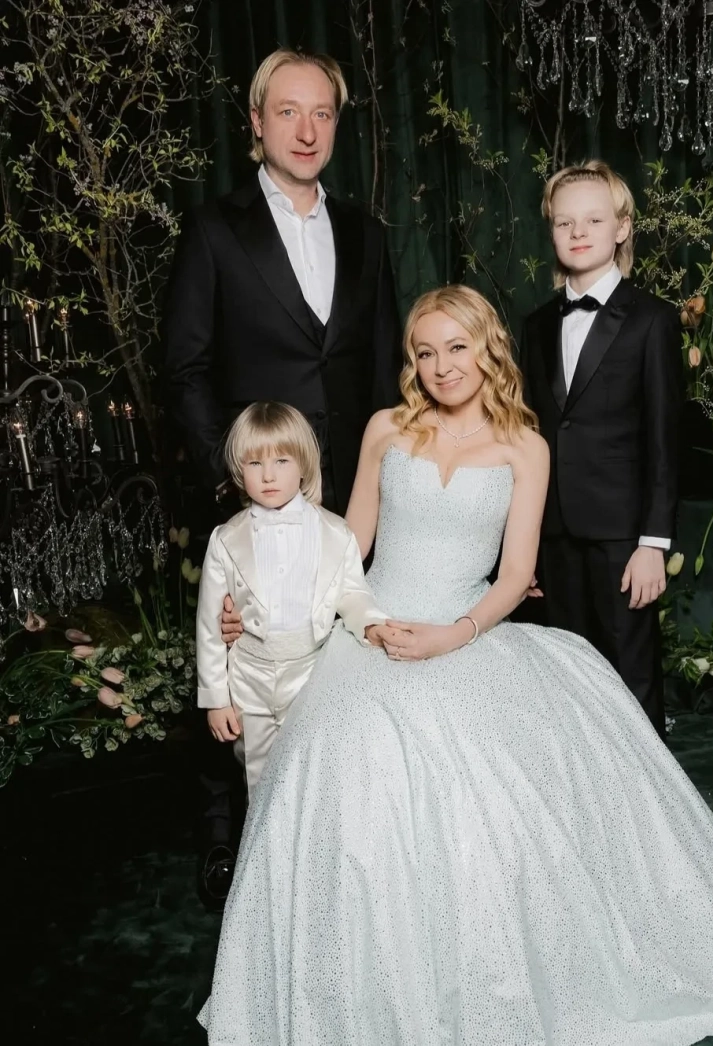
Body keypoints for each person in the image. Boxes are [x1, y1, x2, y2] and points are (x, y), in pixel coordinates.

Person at [199, 286, 713, 1045]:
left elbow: (513, 578)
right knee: (349, 774)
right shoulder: (384, 429)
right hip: (375, 629)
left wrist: (453, 635)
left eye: (457, 347)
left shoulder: (525, 447)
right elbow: (346, 549)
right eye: (425, 352)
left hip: (467, 630)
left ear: (489, 348)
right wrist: (262, 607)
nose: (442, 366)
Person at [161, 48, 402, 903]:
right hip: (255, 491)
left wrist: (385, 488)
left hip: (350, 500)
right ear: (257, 123)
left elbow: (384, 372)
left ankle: (336, 838)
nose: (307, 130)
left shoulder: (368, 234)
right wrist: (237, 483)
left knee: (336, 661)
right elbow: (185, 369)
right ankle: (225, 841)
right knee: (238, 656)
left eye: (323, 113)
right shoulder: (215, 229)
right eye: (289, 112)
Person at [519, 160, 682, 737]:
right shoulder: (535, 324)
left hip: (622, 539)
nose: (578, 232)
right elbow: (529, 437)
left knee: (629, 678)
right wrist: (525, 546)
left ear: (622, 227)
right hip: (553, 535)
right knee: (563, 678)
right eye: (564, 222)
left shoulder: (653, 320)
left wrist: (653, 544)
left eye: (593, 219)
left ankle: (647, 791)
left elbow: (665, 441)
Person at [196, 402, 390, 803]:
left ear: (303, 464)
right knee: (259, 779)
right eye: (255, 463)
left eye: (281, 461)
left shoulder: (335, 532)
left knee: (315, 775)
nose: (268, 475)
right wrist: (216, 699)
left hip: (311, 672)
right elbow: (210, 627)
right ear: (239, 470)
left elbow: (352, 592)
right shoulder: (226, 539)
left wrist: (371, 623)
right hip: (248, 678)